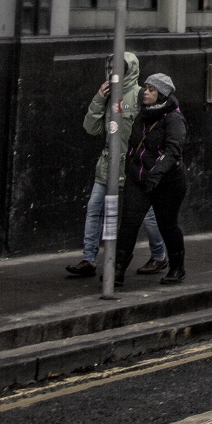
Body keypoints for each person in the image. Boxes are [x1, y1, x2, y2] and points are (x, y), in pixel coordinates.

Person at [69, 52, 166, 278]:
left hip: (134, 166)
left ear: (129, 70)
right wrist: (98, 100)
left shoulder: (140, 94)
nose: (113, 72)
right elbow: (91, 129)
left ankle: (159, 255)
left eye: (118, 68)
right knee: (95, 208)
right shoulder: (108, 96)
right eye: (110, 68)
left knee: (148, 214)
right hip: (108, 165)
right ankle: (89, 259)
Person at [114, 73, 187, 286]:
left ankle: (177, 267)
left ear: (162, 94)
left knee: (167, 225)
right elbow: (134, 143)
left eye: (151, 89)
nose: (145, 92)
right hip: (139, 178)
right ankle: (117, 270)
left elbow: (174, 150)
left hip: (168, 182)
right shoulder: (143, 115)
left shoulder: (174, 118)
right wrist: (132, 166)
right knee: (128, 224)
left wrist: (156, 173)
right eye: (145, 88)